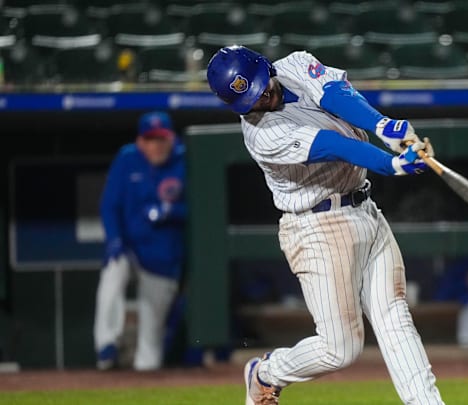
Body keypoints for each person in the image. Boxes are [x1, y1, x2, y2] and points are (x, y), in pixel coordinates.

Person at [207, 46, 444, 405]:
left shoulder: (296, 64)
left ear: (266, 68)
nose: (261, 99)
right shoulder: (262, 135)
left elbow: (337, 95)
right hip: (317, 228)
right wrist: (392, 164)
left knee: (394, 316)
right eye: (250, 99)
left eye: (261, 88)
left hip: (364, 208)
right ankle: (265, 373)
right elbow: (333, 145)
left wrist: (384, 126)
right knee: (340, 349)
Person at [94, 111, 186, 371]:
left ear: (172, 139)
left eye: (161, 139)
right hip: (129, 246)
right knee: (112, 272)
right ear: (140, 141)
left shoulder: (184, 160)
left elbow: (203, 207)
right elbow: (109, 205)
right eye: (151, 139)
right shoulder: (127, 159)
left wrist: (172, 212)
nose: (156, 145)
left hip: (163, 256)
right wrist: (113, 239)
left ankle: (145, 380)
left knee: (151, 337)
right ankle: (106, 345)